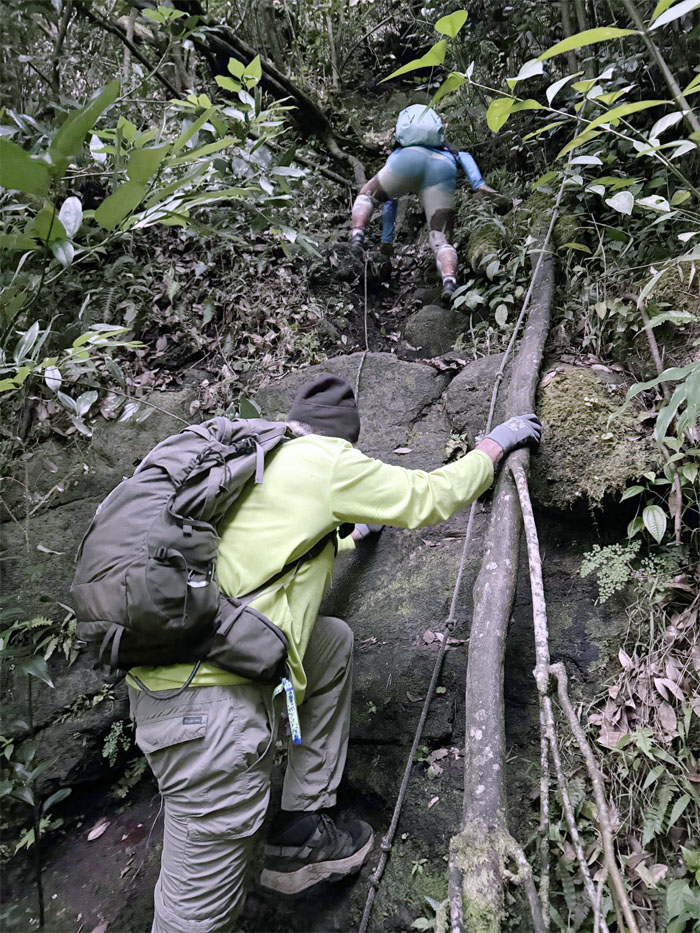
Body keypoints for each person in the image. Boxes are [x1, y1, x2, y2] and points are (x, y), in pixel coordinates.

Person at [127, 374, 541, 932]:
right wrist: (495, 444)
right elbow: (429, 496)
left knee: (330, 643)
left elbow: (266, 551)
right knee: (194, 912)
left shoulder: (256, 461)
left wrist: (353, 536)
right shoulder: (326, 460)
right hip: (208, 713)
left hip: (173, 680)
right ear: (343, 438)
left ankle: (299, 830)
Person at [349, 105, 501, 303]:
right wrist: (478, 183)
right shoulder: (448, 150)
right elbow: (465, 157)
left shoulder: (400, 151)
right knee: (441, 239)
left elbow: (390, 201)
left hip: (407, 162)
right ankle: (449, 281)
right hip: (443, 167)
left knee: (367, 196)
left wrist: (387, 239)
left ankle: (357, 235)